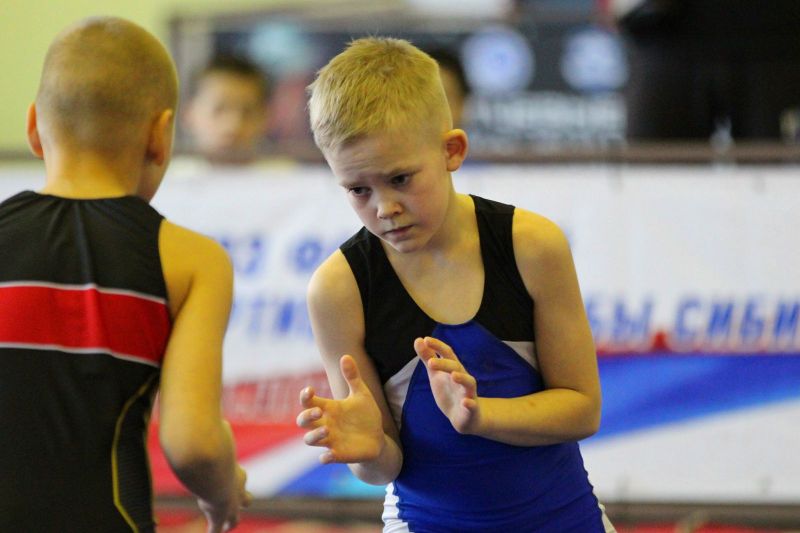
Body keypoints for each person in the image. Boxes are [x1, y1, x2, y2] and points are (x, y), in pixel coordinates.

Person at [296, 37, 615, 532]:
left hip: (563, 519)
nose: (384, 208)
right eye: (358, 189)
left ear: (452, 150)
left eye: (400, 179)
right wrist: (370, 450)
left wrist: (480, 416)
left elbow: (582, 409)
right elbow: (384, 466)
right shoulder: (338, 289)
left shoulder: (532, 246)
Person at [0, 17, 250, 532]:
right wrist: (223, 489)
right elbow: (194, 443)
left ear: (34, 127)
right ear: (160, 134)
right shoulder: (191, 261)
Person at [182, 54, 271, 166]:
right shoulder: (171, 175)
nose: (233, 125)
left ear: (264, 117)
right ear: (189, 114)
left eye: (247, 112)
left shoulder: (281, 174)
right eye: (219, 109)